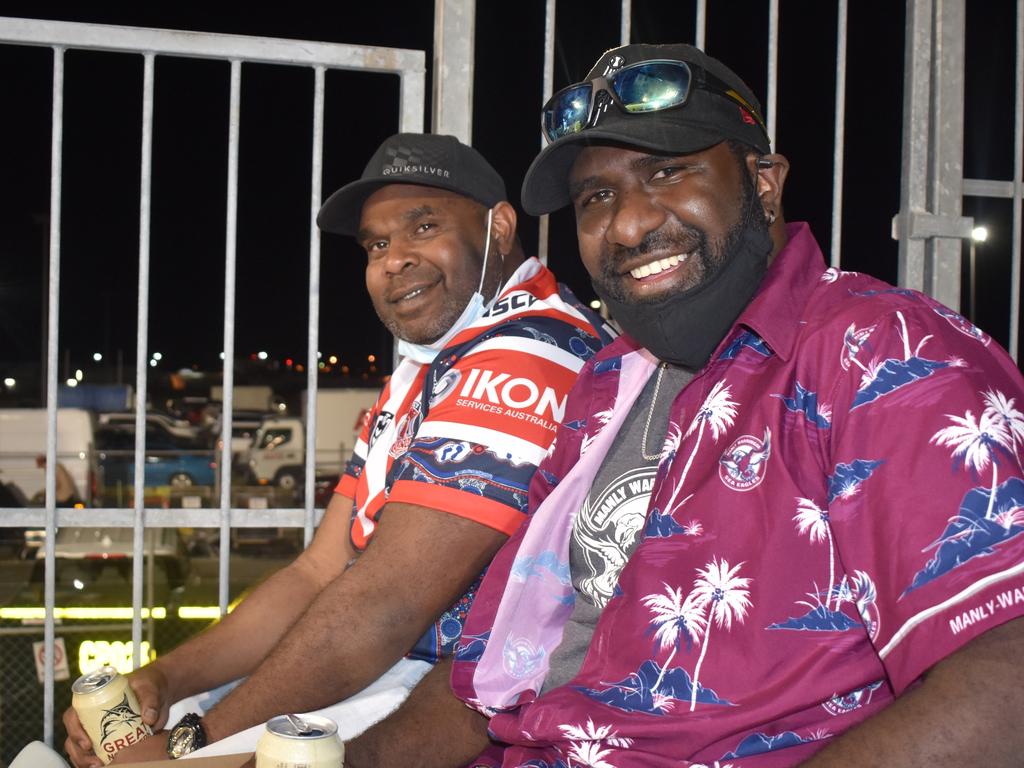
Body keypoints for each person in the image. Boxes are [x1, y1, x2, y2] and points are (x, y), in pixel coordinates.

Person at [344, 43, 1024, 767]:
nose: (631, 225)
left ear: (764, 183)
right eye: (597, 197)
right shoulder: (608, 382)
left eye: (667, 171)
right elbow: (484, 683)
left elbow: (1003, 673)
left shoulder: (881, 351)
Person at [61, 132, 612, 766]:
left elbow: (388, 603)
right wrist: (162, 682)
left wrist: (192, 743)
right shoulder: (426, 366)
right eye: (376, 244)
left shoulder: (528, 352)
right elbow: (318, 570)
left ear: (499, 226)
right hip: (392, 679)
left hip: (452, 708)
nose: (393, 260)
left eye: (422, 226)